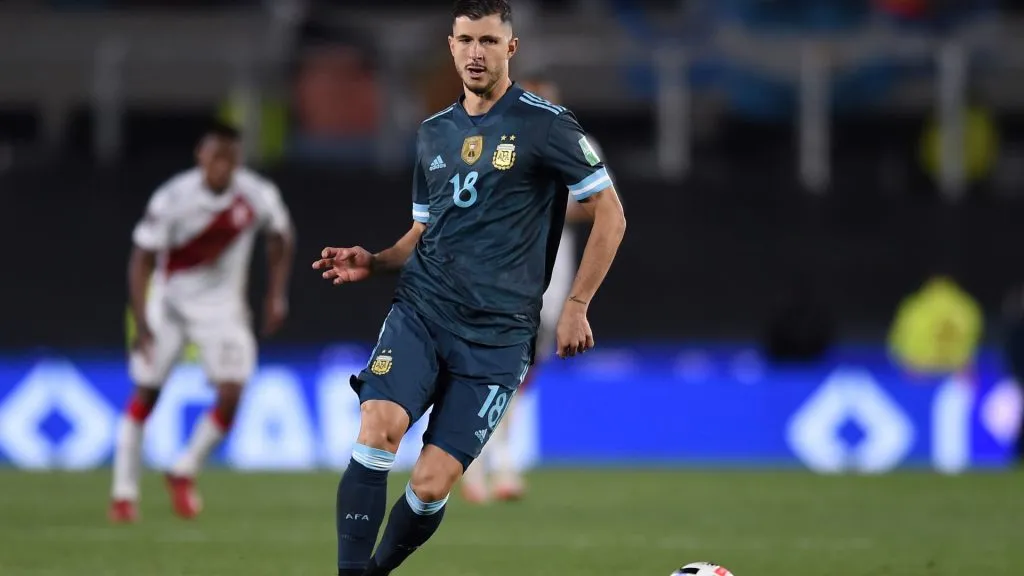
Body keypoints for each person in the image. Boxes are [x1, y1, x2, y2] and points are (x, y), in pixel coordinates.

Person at [312, 1, 627, 574]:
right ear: (451, 47)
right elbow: (422, 231)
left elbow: (610, 213)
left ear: (511, 48)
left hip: (499, 338)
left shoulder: (546, 123)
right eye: (465, 40)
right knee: (378, 429)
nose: (475, 52)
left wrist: (578, 303)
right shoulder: (434, 133)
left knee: (431, 484)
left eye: (488, 41)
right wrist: (376, 260)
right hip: (423, 312)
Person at [109, 122, 295, 523]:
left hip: (223, 311)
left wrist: (276, 293)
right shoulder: (173, 198)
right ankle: (124, 494)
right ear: (201, 157)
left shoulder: (256, 194)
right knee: (147, 394)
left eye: (230, 158)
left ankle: (184, 468)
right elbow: (141, 258)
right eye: (216, 157)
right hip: (170, 306)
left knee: (232, 393)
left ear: (238, 160)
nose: (223, 166)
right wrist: (142, 321)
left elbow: (281, 235)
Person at [459, 73, 593, 503]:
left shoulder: (573, 142)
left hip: (550, 276)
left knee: (520, 372)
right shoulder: (495, 142)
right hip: (497, 272)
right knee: (488, 364)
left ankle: (495, 464)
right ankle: (484, 466)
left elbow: (596, 206)